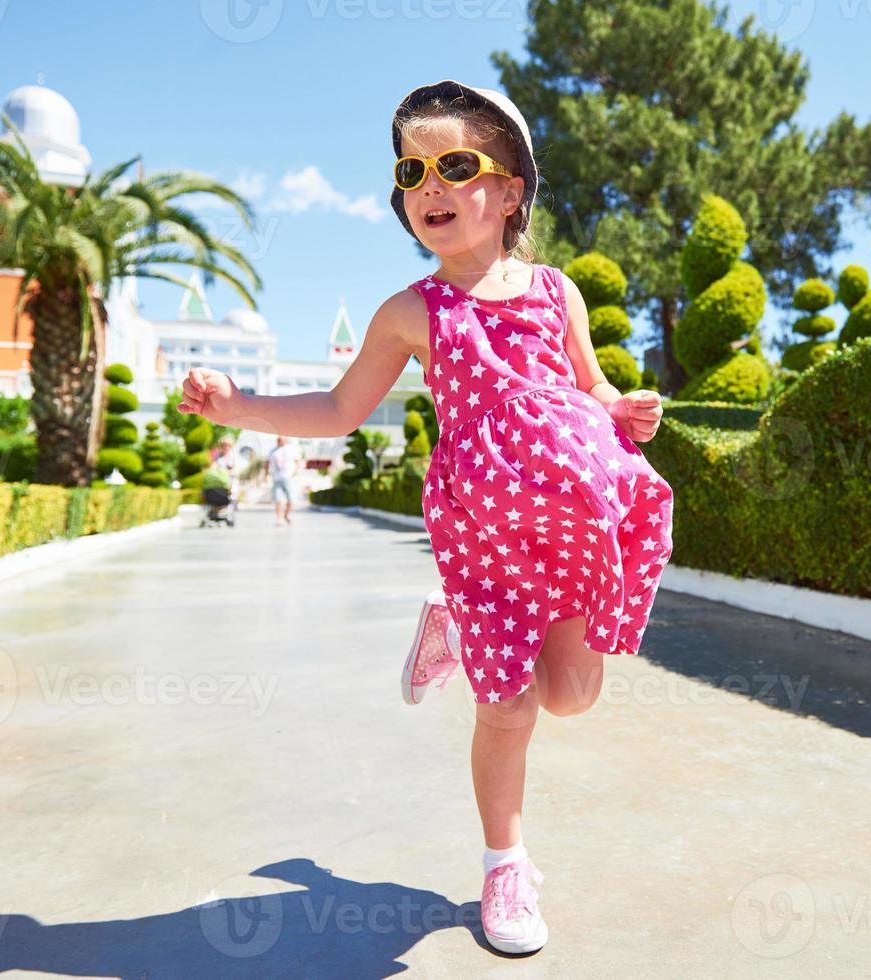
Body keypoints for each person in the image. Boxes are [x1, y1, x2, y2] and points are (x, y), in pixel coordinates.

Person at [175, 79, 673, 957]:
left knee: (570, 696)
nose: (429, 186)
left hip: (568, 527)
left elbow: (587, 384)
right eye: (412, 171)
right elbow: (336, 410)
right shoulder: (411, 313)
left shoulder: (557, 293)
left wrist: (619, 405)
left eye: (454, 164)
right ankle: (504, 864)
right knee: (509, 710)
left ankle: (449, 632)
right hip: (480, 531)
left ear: (510, 188)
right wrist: (236, 406)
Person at [267, 435, 301, 526]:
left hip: (289, 478)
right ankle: (279, 518)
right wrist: (267, 474)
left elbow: (298, 461)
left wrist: (295, 472)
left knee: (291, 499)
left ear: (286, 440)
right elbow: (267, 463)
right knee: (278, 500)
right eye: (278, 440)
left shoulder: (291, 449)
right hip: (277, 478)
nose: (279, 441)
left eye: (281, 439)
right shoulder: (273, 451)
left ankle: (286, 515)